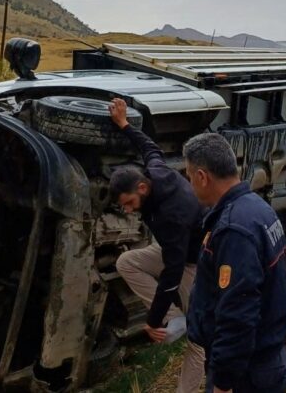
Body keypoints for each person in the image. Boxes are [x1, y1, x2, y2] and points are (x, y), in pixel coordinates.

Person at [108, 97, 205, 393]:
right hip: (173, 252)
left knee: (199, 341)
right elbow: (150, 148)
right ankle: (173, 317)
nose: (127, 211)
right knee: (127, 262)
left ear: (141, 189)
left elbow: (173, 273)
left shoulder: (170, 216)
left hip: (193, 264)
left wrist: (152, 321)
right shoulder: (154, 173)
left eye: (128, 204)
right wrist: (124, 125)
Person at [183, 133, 286, 393]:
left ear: (202, 176)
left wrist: (222, 381)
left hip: (247, 373)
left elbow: (238, 313)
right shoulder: (257, 208)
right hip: (268, 357)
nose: (190, 185)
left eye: (189, 177)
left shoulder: (234, 230)